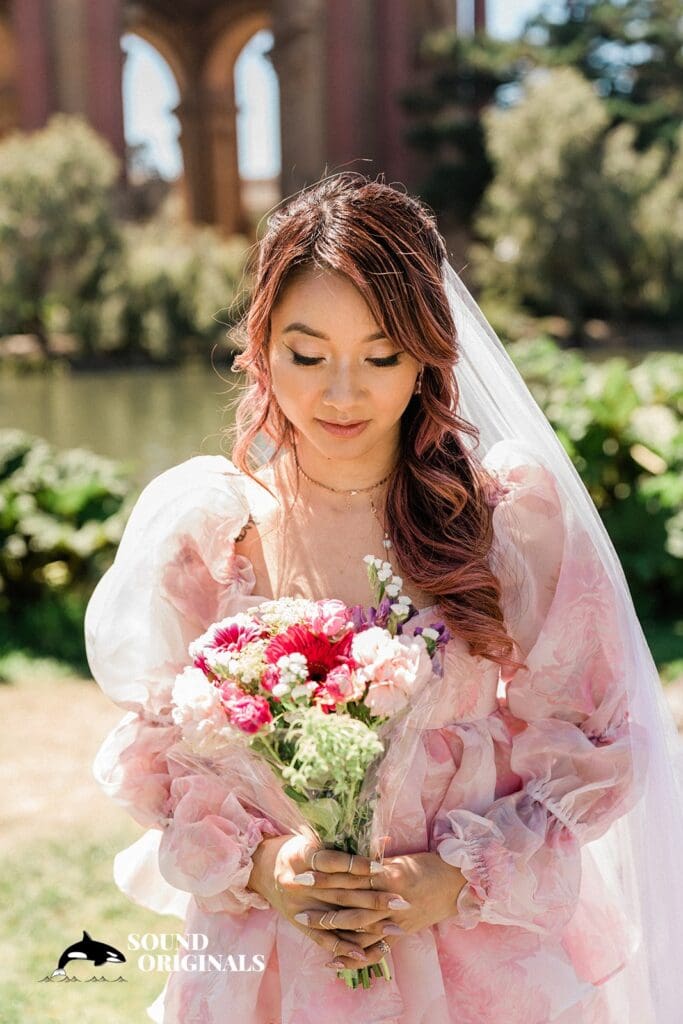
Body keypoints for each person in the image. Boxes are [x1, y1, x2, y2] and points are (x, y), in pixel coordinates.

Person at [85, 172, 681, 1024]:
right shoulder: (210, 535)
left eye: (380, 355)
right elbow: (158, 757)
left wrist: (454, 877)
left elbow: (596, 748)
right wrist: (263, 867)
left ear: (426, 355)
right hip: (268, 967)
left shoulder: (510, 525)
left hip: (474, 963)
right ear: (259, 347)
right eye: (307, 353)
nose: (341, 394)